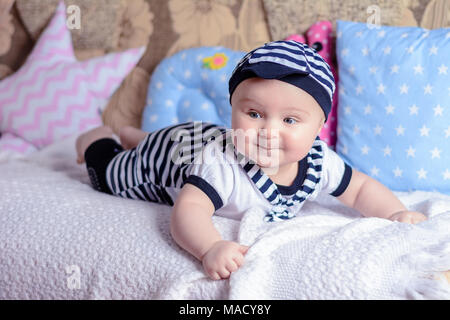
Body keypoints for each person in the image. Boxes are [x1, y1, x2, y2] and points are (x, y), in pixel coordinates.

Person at [76, 40, 427, 281]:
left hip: (191, 138)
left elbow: (360, 188)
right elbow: (189, 210)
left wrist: (393, 212)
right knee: (108, 174)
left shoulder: (320, 161)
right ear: (233, 110)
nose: (268, 131)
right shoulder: (221, 165)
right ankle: (100, 138)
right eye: (254, 113)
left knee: (160, 137)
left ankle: (135, 135)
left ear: (319, 127)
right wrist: (209, 246)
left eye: (290, 120)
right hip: (170, 158)